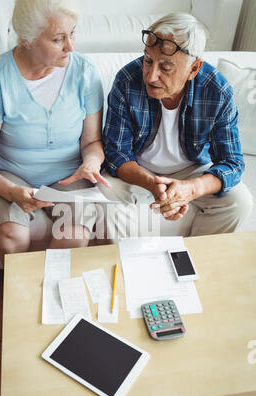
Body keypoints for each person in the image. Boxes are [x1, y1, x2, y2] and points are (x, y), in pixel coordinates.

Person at [0, 0, 109, 264]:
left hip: (69, 175)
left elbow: (92, 141)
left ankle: (52, 294)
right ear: (27, 40)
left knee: (76, 233)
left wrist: (92, 162)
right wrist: (11, 191)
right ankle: (22, 296)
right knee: (11, 235)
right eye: (58, 39)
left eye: (72, 33)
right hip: (13, 173)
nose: (71, 46)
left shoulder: (85, 73)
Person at [98, 12, 253, 239]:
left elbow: (232, 163)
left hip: (191, 170)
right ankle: (127, 262)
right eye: (148, 61)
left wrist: (190, 189)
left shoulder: (217, 91)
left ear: (193, 69)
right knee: (100, 197)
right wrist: (153, 185)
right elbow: (116, 154)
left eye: (166, 68)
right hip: (138, 169)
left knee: (239, 202)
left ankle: (194, 261)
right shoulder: (127, 80)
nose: (151, 76)